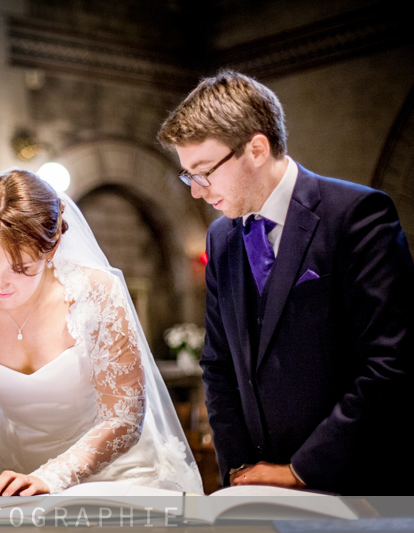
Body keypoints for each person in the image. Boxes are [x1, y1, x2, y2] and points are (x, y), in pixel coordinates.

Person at [157, 70, 414, 495]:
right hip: (259, 487)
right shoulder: (222, 238)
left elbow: (391, 363)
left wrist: (301, 470)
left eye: (204, 172)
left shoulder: (356, 216)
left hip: (358, 485)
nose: (197, 193)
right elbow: (219, 367)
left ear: (256, 148)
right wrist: (241, 471)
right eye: (189, 176)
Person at [0, 169, 203, 496]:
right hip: (8, 469)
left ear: (52, 246)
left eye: (21, 268)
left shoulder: (96, 294)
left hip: (112, 470)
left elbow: (123, 417)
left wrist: (53, 477)